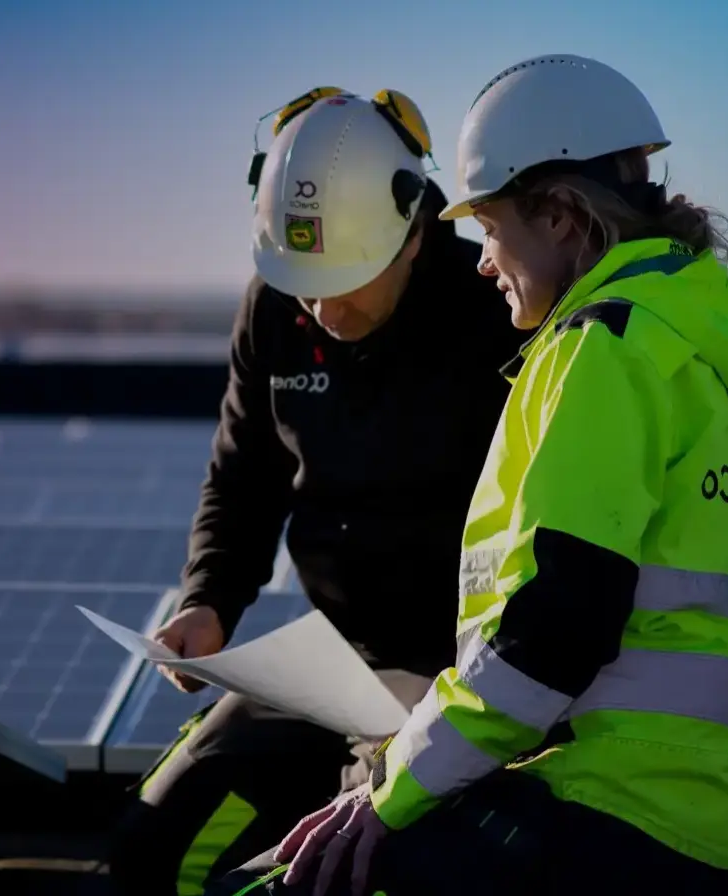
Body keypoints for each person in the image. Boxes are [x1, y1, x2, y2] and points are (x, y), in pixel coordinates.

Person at [205, 53, 728, 896]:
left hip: (600, 809)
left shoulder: (605, 348)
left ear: (560, 217)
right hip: (713, 834)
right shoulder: (699, 340)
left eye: (489, 229)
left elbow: (554, 629)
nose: (482, 261)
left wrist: (389, 793)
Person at [106, 86, 525, 896]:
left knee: (340, 874)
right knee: (148, 847)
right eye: (306, 286)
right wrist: (209, 599)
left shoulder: (494, 313)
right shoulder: (273, 306)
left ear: (410, 232)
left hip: (460, 680)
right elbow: (242, 471)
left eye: (346, 283)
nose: (323, 311)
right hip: (327, 664)